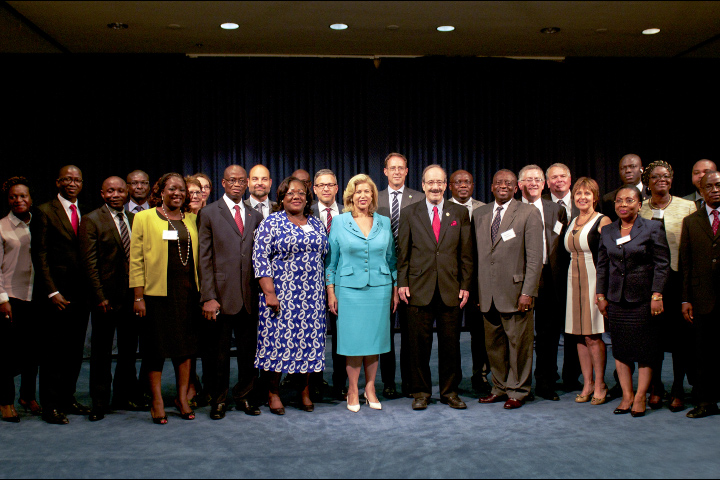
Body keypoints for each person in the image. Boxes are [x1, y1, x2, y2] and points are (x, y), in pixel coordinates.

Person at [397, 165, 472, 411]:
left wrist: (465, 285)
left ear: (445, 186)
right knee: (418, 346)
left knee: (451, 346)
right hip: (418, 288)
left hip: (451, 289)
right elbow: (403, 252)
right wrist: (403, 282)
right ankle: (421, 392)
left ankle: (450, 392)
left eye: (440, 182)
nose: (436, 187)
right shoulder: (409, 212)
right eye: (431, 183)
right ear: (423, 185)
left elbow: (466, 254)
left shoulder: (459, 212)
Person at [252, 176, 328, 415]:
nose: (296, 197)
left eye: (301, 193)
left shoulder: (316, 224)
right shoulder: (271, 223)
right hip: (281, 296)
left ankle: (303, 391)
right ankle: (273, 392)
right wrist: (269, 293)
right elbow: (260, 258)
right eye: (290, 193)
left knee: (306, 344)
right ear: (282, 198)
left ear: (308, 199)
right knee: (277, 344)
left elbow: (325, 256)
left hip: (312, 297)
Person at [130, 173, 200, 424]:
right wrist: (138, 296)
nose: (178, 193)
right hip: (156, 294)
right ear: (161, 191)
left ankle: (182, 398)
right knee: (156, 348)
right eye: (172, 188)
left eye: (182, 189)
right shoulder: (144, 217)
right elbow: (136, 258)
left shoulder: (192, 219)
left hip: (187, 293)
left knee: (185, 348)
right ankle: (157, 400)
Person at [326, 174, 398, 412]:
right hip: (348, 291)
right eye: (358, 192)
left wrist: (395, 289)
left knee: (374, 341)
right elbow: (331, 263)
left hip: (380, 289)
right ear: (350, 196)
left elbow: (391, 260)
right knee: (353, 342)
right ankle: (353, 390)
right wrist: (331, 291)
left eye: (367, 191)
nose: (363, 196)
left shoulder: (384, 222)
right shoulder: (339, 222)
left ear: (373, 196)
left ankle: (370, 389)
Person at [596, 185, 670, 417]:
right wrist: (600, 295)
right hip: (616, 300)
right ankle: (627, 396)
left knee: (646, 351)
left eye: (629, 201)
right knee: (621, 350)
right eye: (619, 201)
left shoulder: (652, 227)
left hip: (644, 300)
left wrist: (657, 295)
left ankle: (640, 397)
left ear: (639, 204)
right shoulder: (607, 231)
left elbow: (662, 264)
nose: (623, 205)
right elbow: (602, 266)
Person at [197, 165, 263, 420]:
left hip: (249, 296)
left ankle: (244, 395)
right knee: (219, 355)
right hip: (220, 297)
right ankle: (219, 399)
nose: (236, 184)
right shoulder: (209, 213)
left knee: (249, 354)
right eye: (231, 180)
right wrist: (208, 296)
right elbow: (204, 258)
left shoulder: (254, 215)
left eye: (241, 180)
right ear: (223, 183)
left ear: (246, 183)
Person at [78, 176, 147, 422]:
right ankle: (99, 401)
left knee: (128, 352)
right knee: (101, 353)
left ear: (127, 193)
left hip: (131, 297)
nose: (116, 194)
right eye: (110, 191)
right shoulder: (92, 219)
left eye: (120, 190)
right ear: (102, 193)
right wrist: (99, 296)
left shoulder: (133, 219)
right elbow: (89, 263)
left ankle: (123, 395)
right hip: (105, 299)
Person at [474, 169, 543, 410]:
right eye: (498, 182)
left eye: (509, 183)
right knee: (494, 347)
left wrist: (528, 292)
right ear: (491, 187)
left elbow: (534, 258)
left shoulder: (529, 213)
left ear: (517, 188)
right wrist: (479, 292)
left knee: (519, 346)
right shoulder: (480, 214)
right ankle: (499, 387)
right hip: (488, 294)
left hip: (516, 294)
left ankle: (519, 390)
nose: (503, 186)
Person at [32, 165, 91, 425]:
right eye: (67, 179)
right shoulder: (45, 211)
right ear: (58, 182)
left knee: (75, 351)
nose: (72, 183)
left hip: (81, 295)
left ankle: (68, 398)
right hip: (56, 295)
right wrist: (52, 291)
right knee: (53, 352)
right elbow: (40, 255)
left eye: (76, 179)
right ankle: (50, 406)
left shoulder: (85, 212)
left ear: (82, 184)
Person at [638, 161, 697, 412]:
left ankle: (677, 389)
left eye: (667, 176)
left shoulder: (687, 206)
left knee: (680, 339)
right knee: (652, 339)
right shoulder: (639, 208)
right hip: (646, 283)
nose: (662, 179)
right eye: (655, 176)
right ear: (647, 182)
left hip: (676, 280)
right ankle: (656, 386)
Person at [376, 152, 425, 399]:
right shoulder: (375, 198)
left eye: (401, 168)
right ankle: (388, 382)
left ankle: (409, 382)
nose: (396, 171)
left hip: (412, 274)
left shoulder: (420, 197)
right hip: (381, 271)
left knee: (410, 333)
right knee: (385, 332)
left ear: (407, 171)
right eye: (392, 168)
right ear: (385, 171)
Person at [518, 165, 569, 401]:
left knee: (548, 334)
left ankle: (546, 381)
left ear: (544, 183)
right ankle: (520, 383)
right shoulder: (513, 210)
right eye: (528, 180)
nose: (534, 183)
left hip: (550, 279)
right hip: (520, 279)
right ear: (520, 185)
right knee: (522, 334)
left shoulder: (555, 210)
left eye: (538, 179)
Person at [563, 178, 612, 404]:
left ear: (595, 196)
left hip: (594, 279)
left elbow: (608, 258)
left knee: (593, 336)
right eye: (578, 193)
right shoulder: (573, 220)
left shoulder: (603, 220)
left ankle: (601, 384)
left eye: (587, 193)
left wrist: (601, 291)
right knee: (579, 337)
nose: (582, 197)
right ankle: (588, 383)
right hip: (573, 281)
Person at [680, 171, 720, 418]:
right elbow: (686, 263)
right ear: (701, 191)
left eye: (719, 185)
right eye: (710, 186)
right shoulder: (691, 221)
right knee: (703, 353)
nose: (715, 189)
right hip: (702, 297)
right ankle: (706, 401)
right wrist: (685, 298)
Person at [0, 177, 39, 423]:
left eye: (23, 196)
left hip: (36, 296)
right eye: (14, 196)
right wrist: (2, 299)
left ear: (30, 199)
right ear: (8, 200)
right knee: (7, 353)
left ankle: (27, 396)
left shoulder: (40, 223)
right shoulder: (1, 226)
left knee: (33, 352)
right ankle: (5, 401)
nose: (19, 200)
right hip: (11, 297)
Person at [448, 169, 489, 395]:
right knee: (451, 332)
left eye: (467, 182)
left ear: (473, 185)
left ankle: (480, 375)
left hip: (479, 281)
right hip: (450, 279)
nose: (463, 185)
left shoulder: (485, 209)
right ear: (450, 186)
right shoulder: (442, 208)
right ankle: (453, 376)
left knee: (479, 332)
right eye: (458, 182)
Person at [543, 162, 582, 391]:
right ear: (548, 183)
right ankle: (548, 376)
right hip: (549, 278)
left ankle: (571, 377)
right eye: (554, 178)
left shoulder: (583, 202)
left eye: (563, 176)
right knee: (548, 331)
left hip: (578, 275)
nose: (558, 181)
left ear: (570, 179)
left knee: (574, 330)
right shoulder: (542, 204)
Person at [311, 169, 347, 399]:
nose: (326, 188)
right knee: (313, 336)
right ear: (314, 189)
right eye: (321, 185)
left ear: (337, 188)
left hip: (342, 283)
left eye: (330, 184)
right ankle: (312, 383)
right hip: (310, 285)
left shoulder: (348, 213)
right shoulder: (305, 213)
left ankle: (340, 383)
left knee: (341, 336)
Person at [601, 154, 648, 221]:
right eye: (623, 168)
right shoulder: (609, 199)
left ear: (641, 169)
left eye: (632, 166)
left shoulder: (652, 195)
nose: (628, 171)